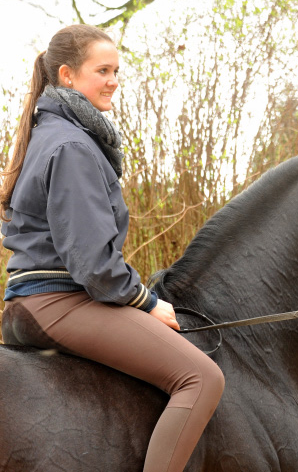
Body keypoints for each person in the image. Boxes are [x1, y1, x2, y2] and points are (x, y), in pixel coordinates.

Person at [0, 24, 224, 471]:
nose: (113, 80)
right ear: (66, 75)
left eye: (116, 70)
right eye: (102, 70)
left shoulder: (50, 134)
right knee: (201, 377)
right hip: (59, 302)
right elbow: (93, 263)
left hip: (30, 304)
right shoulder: (72, 146)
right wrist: (146, 301)